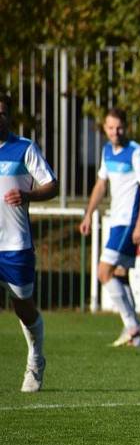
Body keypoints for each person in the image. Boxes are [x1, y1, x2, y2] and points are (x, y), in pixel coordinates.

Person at [79, 108, 140, 347]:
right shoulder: (107, 151)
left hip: (128, 222)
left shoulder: (135, 152)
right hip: (115, 221)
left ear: (126, 127)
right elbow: (101, 184)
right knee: (121, 274)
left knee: (103, 273)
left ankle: (132, 325)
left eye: (119, 127)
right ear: (104, 128)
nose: (115, 132)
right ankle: (135, 338)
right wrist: (89, 213)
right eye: (110, 127)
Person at [0, 93, 59, 392]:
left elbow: (51, 185)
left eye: (1, 112)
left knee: (23, 307)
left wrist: (28, 196)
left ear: (8, 116)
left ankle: (36, 359)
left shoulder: (24, 148)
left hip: (15, 245)